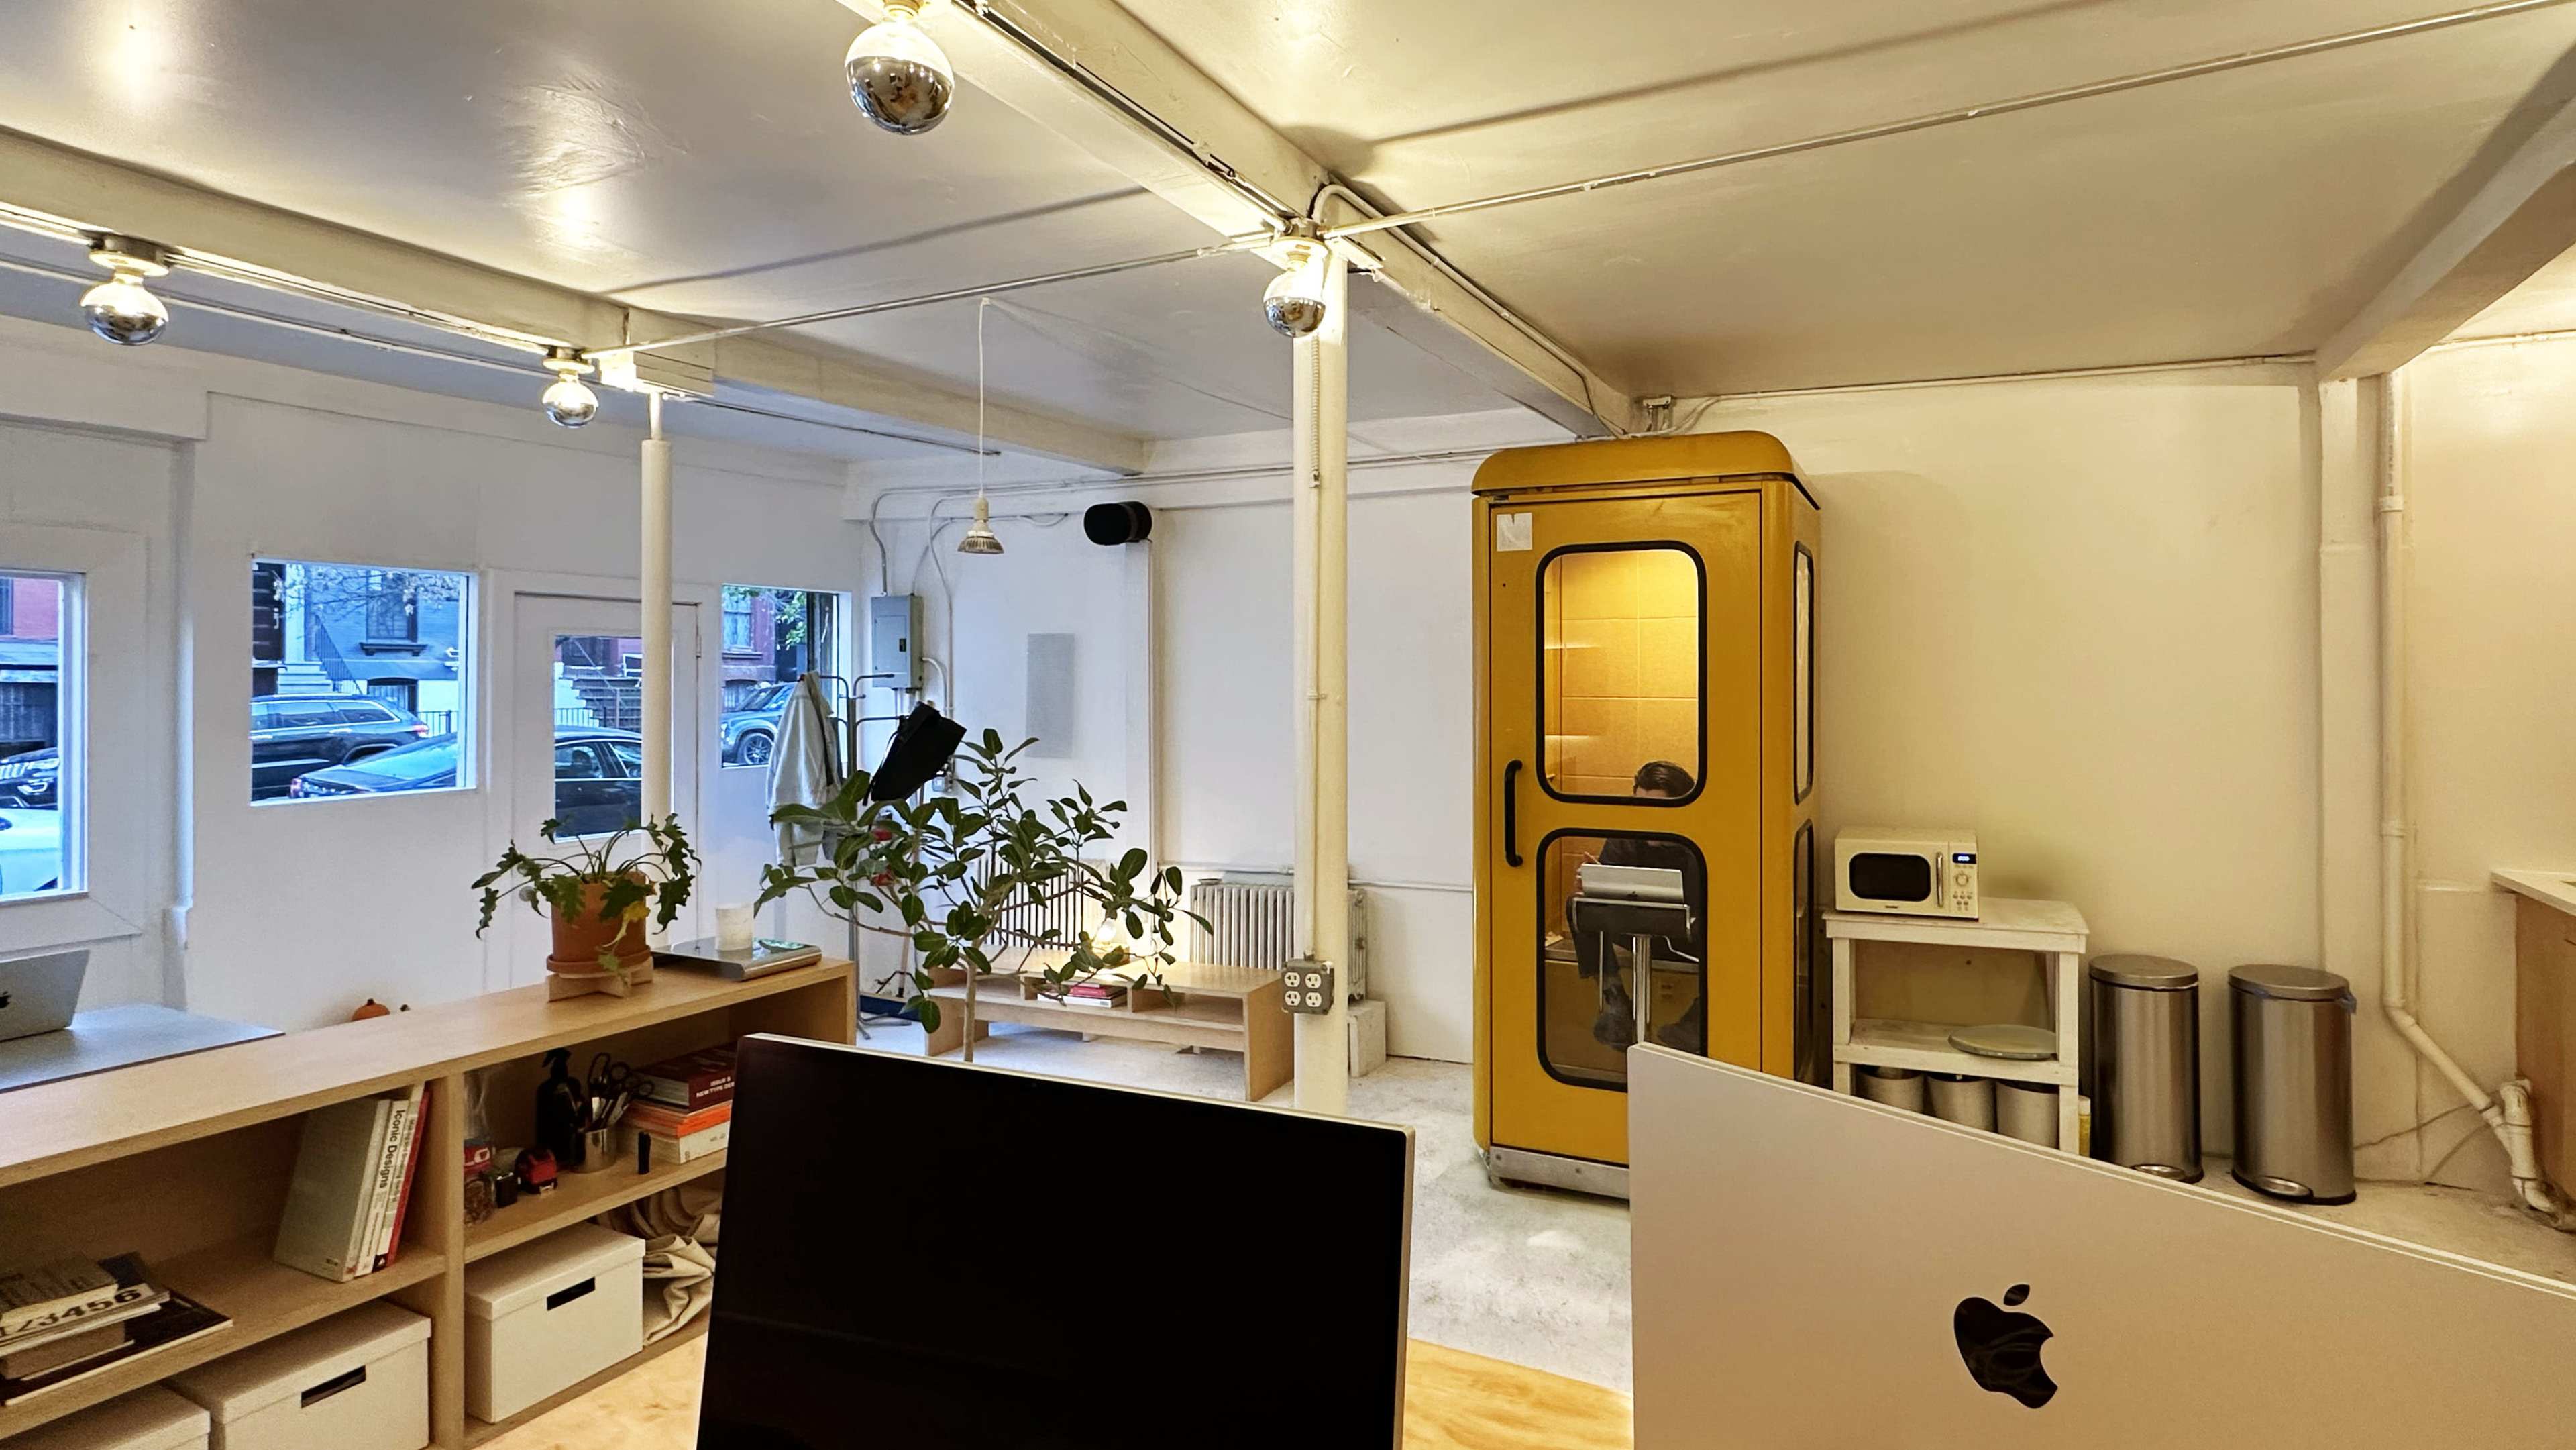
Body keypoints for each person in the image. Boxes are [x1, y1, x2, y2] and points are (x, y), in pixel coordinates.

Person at [1574, 760, 1707, 1054]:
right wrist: (1597, 881)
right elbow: (1611, 884)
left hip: (1691, 935)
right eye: (1642, 806)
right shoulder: (1627, 833)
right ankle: (1615, 1001)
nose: (1649, 817)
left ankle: (1696, 1020)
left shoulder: (1701, 839)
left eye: (1659, 808)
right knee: (1579, 906)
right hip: (1639, 927)